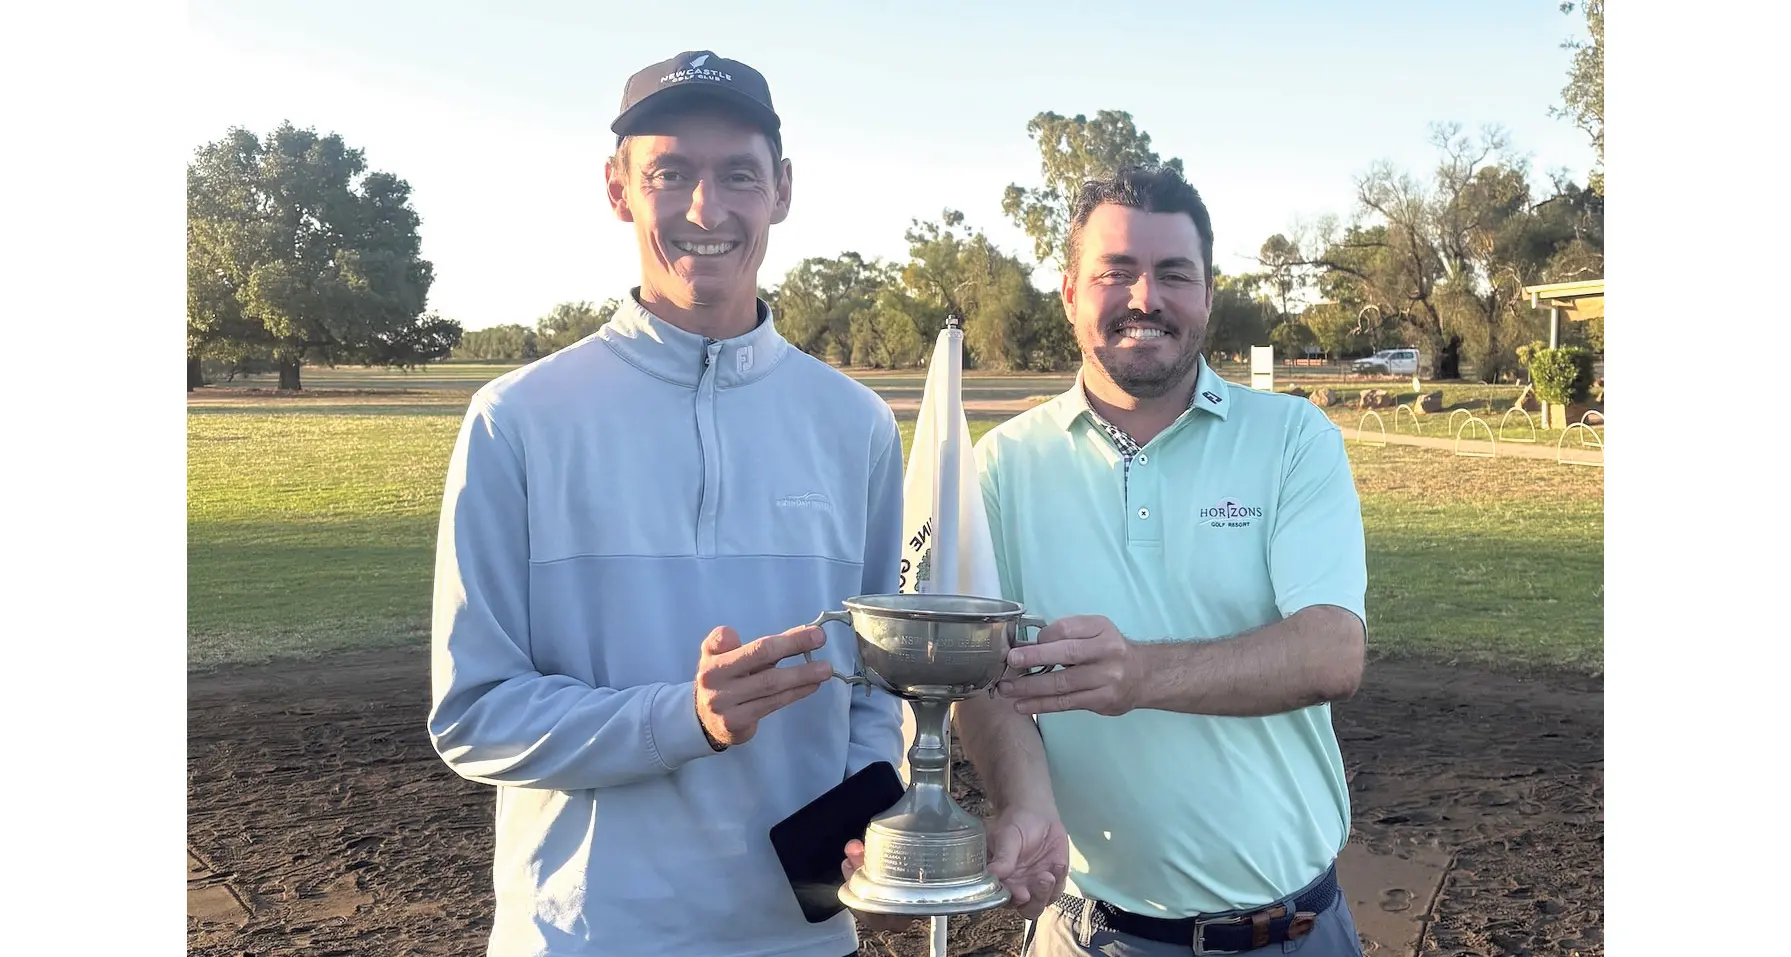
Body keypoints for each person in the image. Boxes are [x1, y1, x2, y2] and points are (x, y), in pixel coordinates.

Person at [426, 50, 912, 957]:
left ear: (782, 190)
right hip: (579, 937)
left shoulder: (856, 424)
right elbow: (475, 713)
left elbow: (874, 687)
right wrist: (682, 719)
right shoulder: (516, 420)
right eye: (670, 173)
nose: (705, 208)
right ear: (617, 189)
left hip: (799, 942)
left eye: (738, 174)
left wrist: (866, 818)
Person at [956, 164, 1371, 956]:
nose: (1144, 297)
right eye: (1115, 271)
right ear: (1069, 293)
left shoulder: (1292, 438)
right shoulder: (1001, 465)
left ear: (1207, 295)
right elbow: (984, 676)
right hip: (1090, 933)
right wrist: (1025, 797)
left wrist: (1137, 674)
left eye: (1174, 274)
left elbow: (1330, 649)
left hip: (1291, 932)